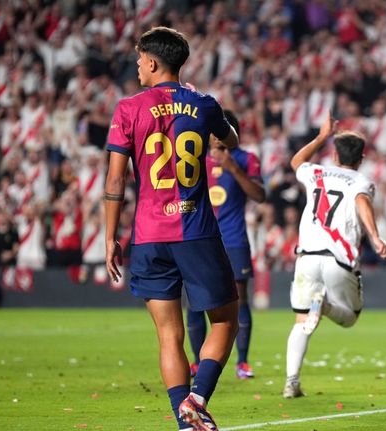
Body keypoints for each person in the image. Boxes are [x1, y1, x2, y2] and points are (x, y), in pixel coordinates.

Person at [104, 26, 240, 431]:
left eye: (139, 58)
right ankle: (196, 400)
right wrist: (202, 106)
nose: (137, 64)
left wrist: (110, 236)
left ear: (152, 61)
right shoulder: (203, 103)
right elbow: (230, 139)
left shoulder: (128, 108)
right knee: (226, 320)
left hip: (148, 236)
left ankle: (186, 419)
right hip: (195, 230)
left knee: (168, 335)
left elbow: (115, 183)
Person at [283, 111, 386, 398]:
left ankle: (291, 381)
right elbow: (361, 202)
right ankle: (327, 307)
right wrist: (375, 236)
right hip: (338, 258)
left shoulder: (315, 171)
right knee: (351, 317)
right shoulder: (361, 180)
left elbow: (295, 162)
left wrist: (321, 136)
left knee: (301, 321)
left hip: (307, 256)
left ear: (334, 155)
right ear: (361, 159)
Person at [186, 109, 265, 380]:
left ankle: (242, 362)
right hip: (200, 238)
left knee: (240, 298)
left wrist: (233, 168)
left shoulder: (246, 159)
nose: (218, 142)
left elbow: (259, 195)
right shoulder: (194, 159)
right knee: (195, 300)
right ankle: (197, 362)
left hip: (234, 239)